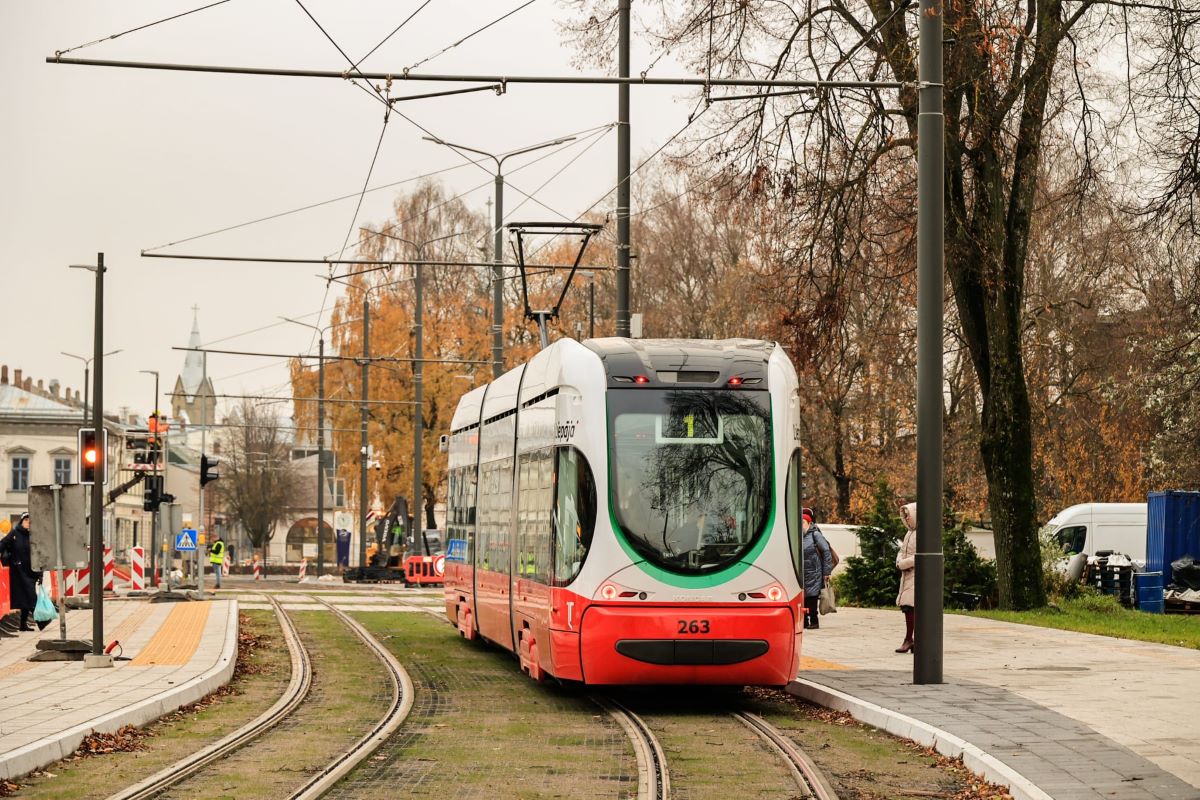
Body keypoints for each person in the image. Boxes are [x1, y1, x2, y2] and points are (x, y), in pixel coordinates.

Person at [0, 513, 43, 632]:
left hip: (31, 571)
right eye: (26, 520)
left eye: (30, 520)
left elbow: (39, 555)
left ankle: (23, 625)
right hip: (18, 572)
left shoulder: (33, 536)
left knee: (26, 598)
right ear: (21, 521)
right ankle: (42, 621)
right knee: (30, 597)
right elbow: (2, 544)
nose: (28, 522)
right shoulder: (14, 533)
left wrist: (40, 574)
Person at [801, 508, 833, 629]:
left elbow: (826, 552)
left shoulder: (815, 534)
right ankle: (803, 621)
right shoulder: (797, 536)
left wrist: (826, 572)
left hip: (814, 572)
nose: (801, 525)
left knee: (812, 597)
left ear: (809, 523)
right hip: (802, 573)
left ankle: (814, 621)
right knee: (802, 598)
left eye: (803, 522)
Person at [895, 502, 918, 653]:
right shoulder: (909, 533)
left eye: (908, 516)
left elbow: (921, 556)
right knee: (908, 607)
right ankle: (911, 639)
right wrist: (899, 560)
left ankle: (909, 639)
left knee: (910, 607)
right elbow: (902, 550)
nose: (907, 519)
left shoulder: (923, 533)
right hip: (907, 575)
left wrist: (903, 563)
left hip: (916, 575)